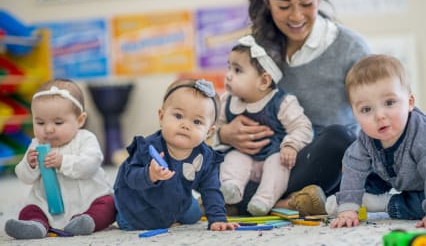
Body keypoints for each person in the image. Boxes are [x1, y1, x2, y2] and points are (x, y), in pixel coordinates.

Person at [214, 0, 370, 215]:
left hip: (321, 164)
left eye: (306, 3)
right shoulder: (255, 50)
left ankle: (255, 202)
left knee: (340, 138)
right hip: (262, 162)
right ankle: (286, 202)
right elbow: (224, 107)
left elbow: (377, 116)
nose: (297, 16)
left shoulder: (351, 49)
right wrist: (224, 134)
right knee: (204, 159)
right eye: (284, 6)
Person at [329, 54, 426, 229]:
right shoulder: (365, 138)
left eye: (389, 102)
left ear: (409, 102)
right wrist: (348, 209)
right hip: (397, 171)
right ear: (354, 114)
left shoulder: (424, 134)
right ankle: (357, 199)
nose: (379, 116)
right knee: (359, 177)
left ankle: (383, 203)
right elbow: (353, 168)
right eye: (366, 109)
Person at [113, 79, 239, 231]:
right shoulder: (148, 147)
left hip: (175, 200)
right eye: (178, 116)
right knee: (130, 222)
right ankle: (113, 206)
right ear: (161, 116)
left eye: (197, 122)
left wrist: (218, 219)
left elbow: (211, 189)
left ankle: (179, 209)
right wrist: (149, 174)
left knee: (194, 214)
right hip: (140, 205)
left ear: (209, 132)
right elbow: (130, 178)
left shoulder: (206, 158)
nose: (185, 125)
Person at [5, 79, 116, 239]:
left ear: (79, 121)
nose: (48, 129)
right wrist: (30, 164)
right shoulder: (36, 145)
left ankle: (87, 222)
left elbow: (91, 164)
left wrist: (63, 161)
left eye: (58, 122)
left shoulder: (85, 138)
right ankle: (37, 225)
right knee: (29, 209)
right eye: (40, 122)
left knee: (109, 205)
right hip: (47, 205)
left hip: (88, 199)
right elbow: (24, 177)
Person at [217, 35, 313, 216]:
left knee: (278, 164)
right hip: (244, 159)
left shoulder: (282, 102)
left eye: (237, 70)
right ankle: (231, 188)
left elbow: (302, 127)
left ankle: (264, 200)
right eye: (228, 67)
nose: (228, 75)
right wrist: (223, 133)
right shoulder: (227, 102)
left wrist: (290, 144)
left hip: (273, 155)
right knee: (233, 159)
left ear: (263, 81)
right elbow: (213, 128)